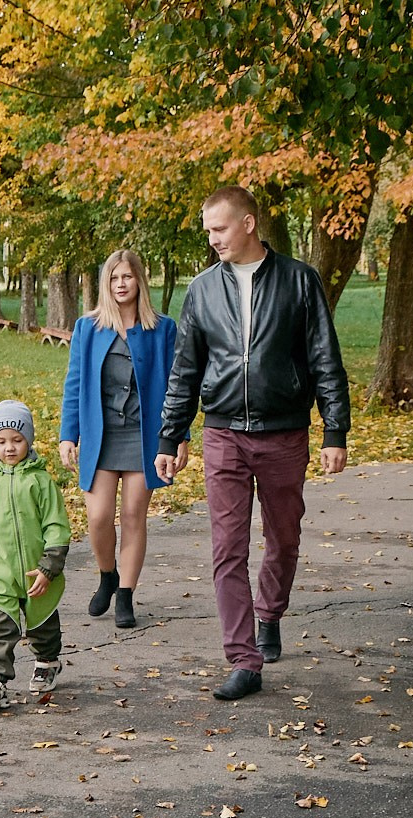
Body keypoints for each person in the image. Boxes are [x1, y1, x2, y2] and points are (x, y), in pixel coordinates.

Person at [156, 186, 350, 702]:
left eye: (218, 229)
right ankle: (243, 658)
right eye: (207, 231)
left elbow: (324, 357)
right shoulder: (201, 290)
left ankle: (270, 613)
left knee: (283, 540)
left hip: (284, 432)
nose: (212, 238)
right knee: (227, 547)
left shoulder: (299, 280)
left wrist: (335, 429)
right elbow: (185, 370)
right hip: (223, 435)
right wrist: (171, 433)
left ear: (248, 223)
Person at [57, 249, 178, 629]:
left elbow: (178, 388)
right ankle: (107, 573)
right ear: (105, 285)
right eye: (113, 278)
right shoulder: (87, 328)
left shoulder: (163, 328)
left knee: (132, 516)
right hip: (101, 435)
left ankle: (125, 593)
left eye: (127, 277)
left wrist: (177, 438)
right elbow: (74, 384)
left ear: (139, 280)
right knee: (97, 517)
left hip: (144, 436)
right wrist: (67, 435)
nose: (121, 284)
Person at [0, 400, 71, 710]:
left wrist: (49, 567)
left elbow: (56, 524)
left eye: (17, 440)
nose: (9, 448)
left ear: (29, 441)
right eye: (1, 441)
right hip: (0, 571)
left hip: (38, 572)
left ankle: (48, 662)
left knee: (43, 625)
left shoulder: (40, 481)